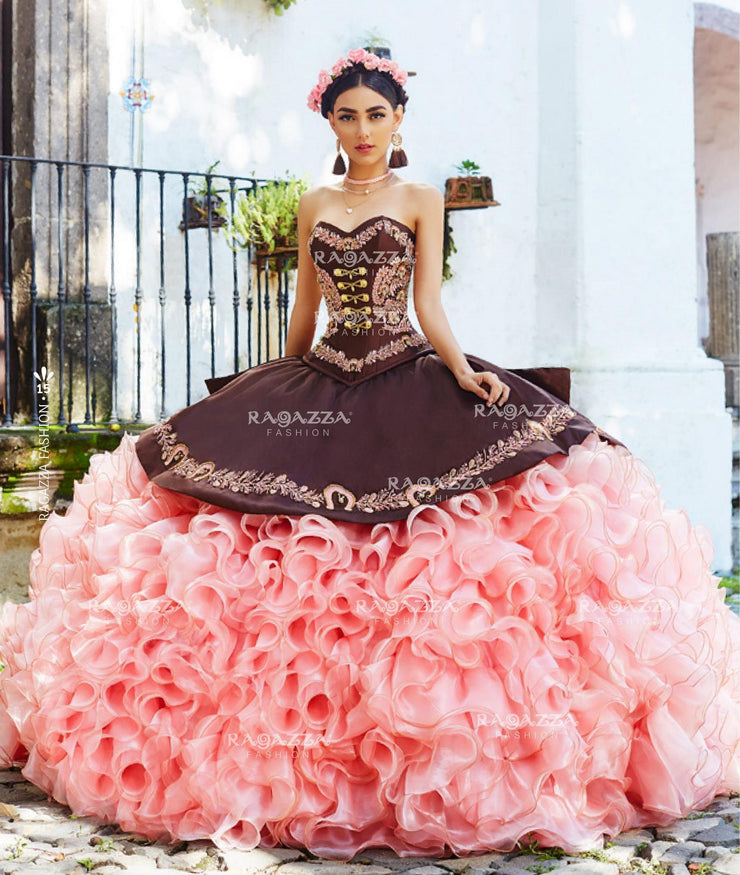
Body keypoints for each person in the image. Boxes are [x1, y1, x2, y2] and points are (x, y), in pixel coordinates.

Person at [0, 46, 737, 862]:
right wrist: (270, 384)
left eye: (376, 115)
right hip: (323, 371)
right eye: (347, 116)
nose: (362, 130)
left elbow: (427, 304)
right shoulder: (315, 200)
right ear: (331, 121)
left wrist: (461, 371)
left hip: (405, 368)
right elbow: (303, 314)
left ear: (398, 120)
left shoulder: (420, 196)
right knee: (259, 519)